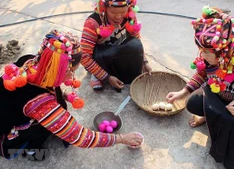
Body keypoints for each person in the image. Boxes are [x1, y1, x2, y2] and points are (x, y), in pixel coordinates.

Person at [0, 30, 143, 161]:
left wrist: (64, 94)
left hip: (9, 108)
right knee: (46, 125)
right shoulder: (40, 104)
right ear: (59, 68)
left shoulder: (31, 61)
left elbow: (33, 89)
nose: (71, 76)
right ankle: (29, 151)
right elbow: (79, 136)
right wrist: (122, 138)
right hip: (5, 135)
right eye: (70, 72)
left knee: (58, 103)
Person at [166, 6, 234, 169]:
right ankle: (210, 118)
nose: (203, 55)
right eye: (202, 50)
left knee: (230, 125)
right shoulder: (212, 53)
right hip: (217, 97)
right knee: (192, 103)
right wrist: (183, 92)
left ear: (227, 50)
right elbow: (202, 74)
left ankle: (220, 123)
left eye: (207, 52)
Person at [80, 0, 152, 92]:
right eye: (113, 12)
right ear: (104, 8)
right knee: (103, 55)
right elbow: (84, 56)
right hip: (101, 57)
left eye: (123, 12)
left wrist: (144, 62)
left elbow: (137, 39)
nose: (118, 17)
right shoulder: (93, 22)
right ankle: (97, 75)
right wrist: (107, 77)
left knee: (135, 45)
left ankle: (117, 69)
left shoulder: (130, 17)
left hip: (117, 50)